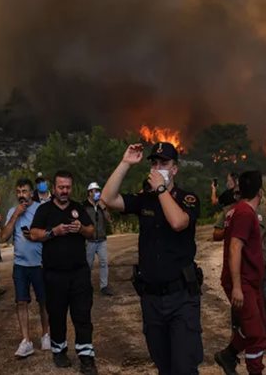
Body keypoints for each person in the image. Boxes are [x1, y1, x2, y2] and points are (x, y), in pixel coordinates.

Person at [102, 142, 203, 375]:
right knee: (163, 365)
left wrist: (161, 190)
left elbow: (178, 223)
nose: (158, 168)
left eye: (164, 163)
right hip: (152, 299)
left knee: (184, 367)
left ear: (175, 169)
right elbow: (108, 198)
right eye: (155, 164)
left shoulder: (187, 198)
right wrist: (125, 163)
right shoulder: (144, 199)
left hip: (181, 298)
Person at [29, 170, 98, 373]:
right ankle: (59, 351)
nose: (65, 191)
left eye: (67, 187)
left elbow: (91, 231)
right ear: (54, 188)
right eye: (61, 187)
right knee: (57, 315)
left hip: (79, 273)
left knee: (82, 315)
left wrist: (81, 229)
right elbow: (33, 234)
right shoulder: (45, 210)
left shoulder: (78, 207)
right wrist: (53, 232)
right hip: (54, 274)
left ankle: (86, 356)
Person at [214, 171, 266, 375]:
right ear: (260, 192)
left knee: (257, 326)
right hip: (242, 282)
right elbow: (235, 247)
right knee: (257, 336)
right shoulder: (245, 213)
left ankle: (228, 355)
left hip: (250, 281)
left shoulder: (238, 210)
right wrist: (237, 286)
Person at [0, 178, 50, 357]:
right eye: (19, 192)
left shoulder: (41, 209)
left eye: (25, 191)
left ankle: (46, 335)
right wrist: (15, 216)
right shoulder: (13, 211)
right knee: (21, 302)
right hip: (20, 266)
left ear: (31, 192)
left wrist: (36, 237)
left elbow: (50, 235)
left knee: (44, 301)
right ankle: (26, 340)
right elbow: (4, 237)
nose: (22, 195)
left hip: (40, 264)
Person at [84, 182, 113, 296]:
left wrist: (103, 207)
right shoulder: (84, 206)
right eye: (95, 191)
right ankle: (85, 286)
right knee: (88, 264)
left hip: (101, 239)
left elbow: (108, 219)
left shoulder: (102, 205)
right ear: (89, 193)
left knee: (104, 263)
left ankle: (104, 286)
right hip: (89, 240)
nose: (97, 193)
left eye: (98, 191)